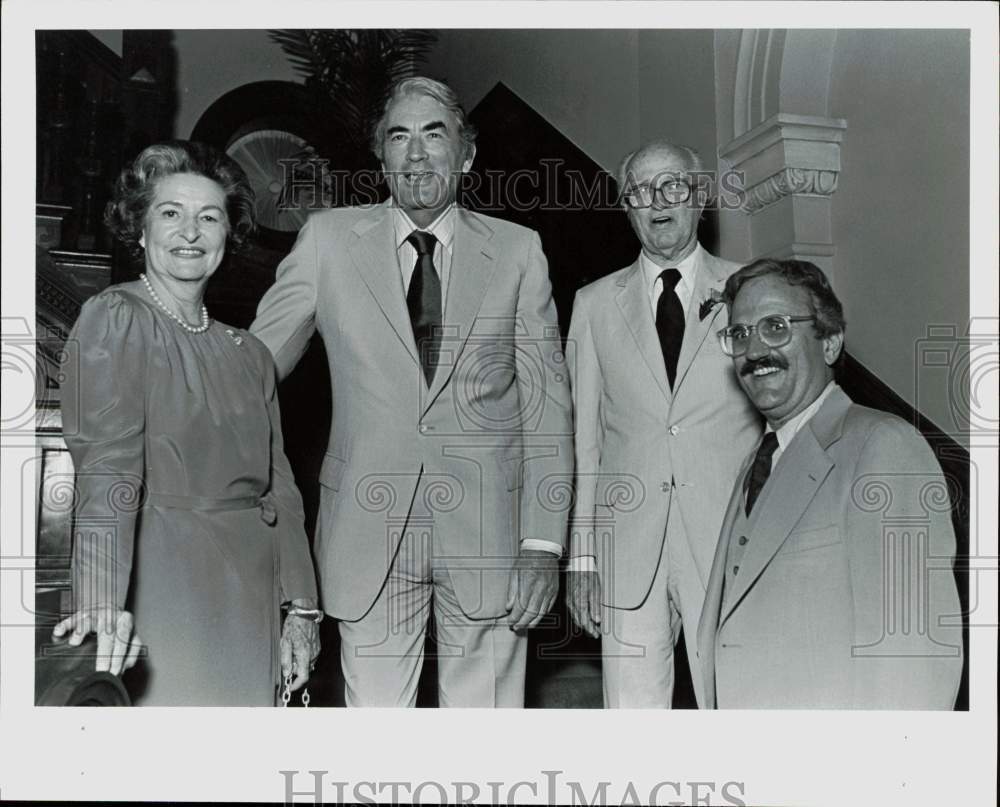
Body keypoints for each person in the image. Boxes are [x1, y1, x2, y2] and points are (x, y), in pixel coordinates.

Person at [250, 77, 573, 707]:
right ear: (382, 157)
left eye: (434, 134)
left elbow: (547, 408)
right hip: (366, 533)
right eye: (399, 136)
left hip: (491, 537)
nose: (417, 153)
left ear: (467, 154)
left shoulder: (517, 250)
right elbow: (252, 370)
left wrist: (543, 542)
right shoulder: (328, 241)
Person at [53, 141, 320, 706]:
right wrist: (100, 601)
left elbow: (282, 486)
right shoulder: (116, 318)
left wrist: (302, 607)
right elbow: (106, 470)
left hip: (252, 592)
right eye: (170, 214)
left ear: (229, 235)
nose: (190, 232)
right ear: (141, 231)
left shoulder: (249, 352)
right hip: (164, 586)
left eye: (209, 217)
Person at [697, 258, 963, 708]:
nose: (754, 349)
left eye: (776, 326)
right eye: (739, 333)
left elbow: (912, 653)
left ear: (830, 343)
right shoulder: (756, 463)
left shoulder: (883, 446)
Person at [565, 141, 761, 708]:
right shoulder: (594, 304)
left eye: (673, 186)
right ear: (627, 208)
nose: (658, 203)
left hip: (730, 544)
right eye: (640, 192)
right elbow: (586, 445)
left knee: (737, 712)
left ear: (699, 197)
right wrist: (582, 558)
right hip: (626, 550)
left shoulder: (749, 289)